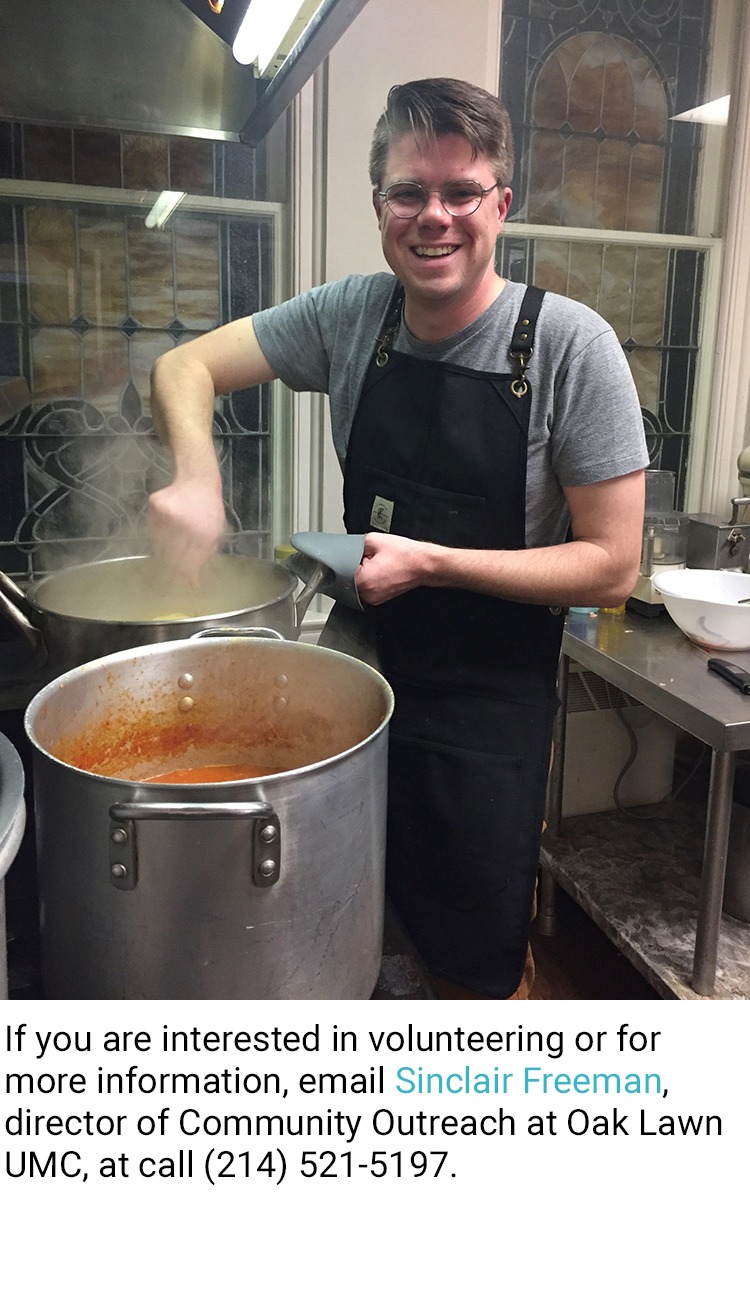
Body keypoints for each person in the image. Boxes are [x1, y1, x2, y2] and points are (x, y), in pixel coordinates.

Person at [147, 77, 648, 1000]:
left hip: (487, 714)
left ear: (502, 203)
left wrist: (433, 563)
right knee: (334, 924)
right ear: (377, 202)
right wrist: (196, 473)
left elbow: (613, 566)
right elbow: (184, 366)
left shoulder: (571, 347)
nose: (436, 218)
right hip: (357, 681)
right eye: (410, 192)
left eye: (462, 193)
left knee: (466, 956)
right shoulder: (353, 316)